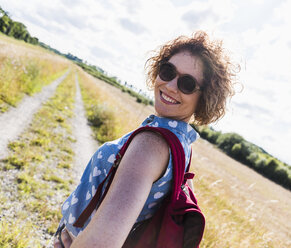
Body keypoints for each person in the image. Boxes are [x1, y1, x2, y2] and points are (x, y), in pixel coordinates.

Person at [54, 31, 236, 248]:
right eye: (168, 71)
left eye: (187, 84)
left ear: (204, 97)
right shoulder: (181, 145)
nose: (170, 85)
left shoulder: (150, 145)